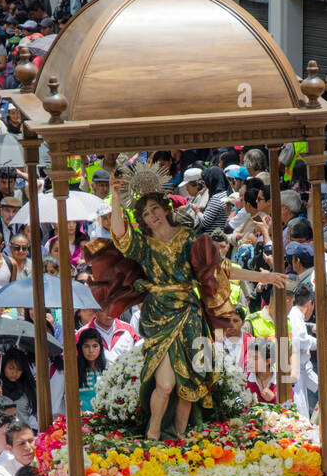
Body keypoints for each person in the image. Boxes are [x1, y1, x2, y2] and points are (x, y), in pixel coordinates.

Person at [93, 172, 285, 439]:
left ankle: (179, 441)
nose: (152, 216)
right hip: (159, 316)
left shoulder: (187, 240)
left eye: (155, 209)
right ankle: (153, 435)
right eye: (146, 214)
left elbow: (220, 267)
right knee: (166, 384)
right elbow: (120, 233)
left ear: (165, 209)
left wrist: (264, 276)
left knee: (190, 385)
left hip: (190, 315)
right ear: (143, 220)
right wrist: (115, 197)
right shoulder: (144, 246)